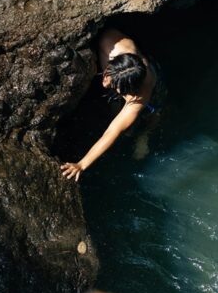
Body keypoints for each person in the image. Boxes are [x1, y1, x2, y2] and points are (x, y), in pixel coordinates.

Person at [61, 28, 165, 181]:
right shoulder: (111, 44)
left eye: (114, 84)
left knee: (152, 113)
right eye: (108, 74)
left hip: (151, 82)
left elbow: (113, 131)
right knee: (115, 108)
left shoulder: (140, 95)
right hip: (129, 71)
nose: (104, 83)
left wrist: (82, 164)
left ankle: (143, 136)